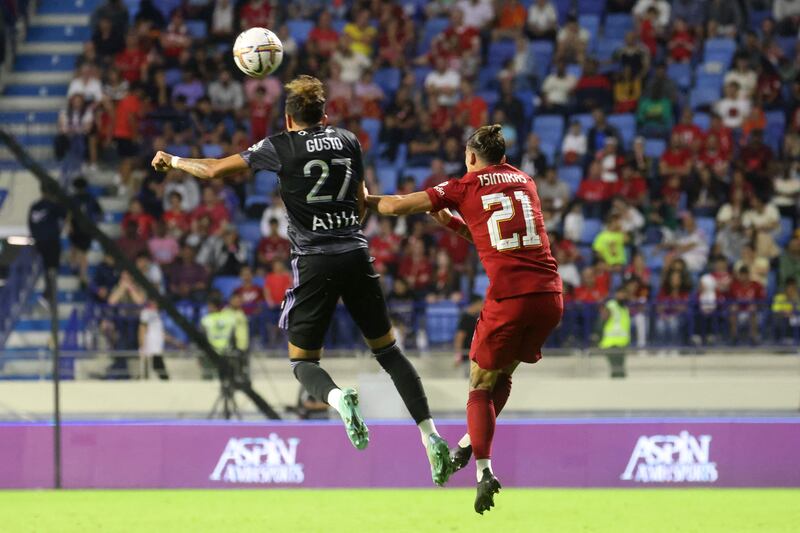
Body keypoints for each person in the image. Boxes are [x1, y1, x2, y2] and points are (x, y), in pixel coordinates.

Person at [150, 75, 452, 485]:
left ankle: (337, 398)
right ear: (324, 114)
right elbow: (362, 201)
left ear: (288, 118)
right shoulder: (348, 139)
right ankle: (430, 435)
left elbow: (215, 169)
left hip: (314, 260)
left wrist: (174, 160)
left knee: (303, 362)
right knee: (388, 353)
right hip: (355, 251)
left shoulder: (279, 145)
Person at [366, 124, 563, 514]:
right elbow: (497, 237)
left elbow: (396, 206)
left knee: (477, 383)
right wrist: (456, 224)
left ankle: (484, 471)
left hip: (510, 298)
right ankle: (465, 447)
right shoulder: (525, 181)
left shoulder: (466, 186)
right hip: (550, 296)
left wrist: (366, 198)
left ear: (472, 157)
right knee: (501, 377)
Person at [28, 184, 66, 298]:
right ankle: (50, 288)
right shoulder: (54, 205)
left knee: (46, 265)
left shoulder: (35, 206)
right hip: (51, 240)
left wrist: (36, 238)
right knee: (52, 265)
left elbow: (31, 225)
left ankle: (49, 289)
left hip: (40, 242)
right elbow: (64, 215)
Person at [454, 295, 483, 373]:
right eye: (481, 304)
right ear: (475, 304)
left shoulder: (477, 317)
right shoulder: (466, 317)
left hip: (475, 356)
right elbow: (460, 336)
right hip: (467, 356)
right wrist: (458, 355)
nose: (482, 306)